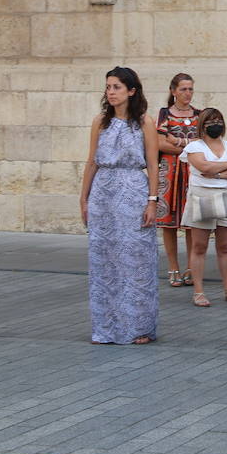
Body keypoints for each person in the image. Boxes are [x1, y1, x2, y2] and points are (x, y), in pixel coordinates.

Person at [81, 67, 159, 345]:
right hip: (103, 192)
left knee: (135, 259)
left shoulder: (144, 122)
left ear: (131, 91)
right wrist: (84, 198)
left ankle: (139, 326)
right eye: (108, 87)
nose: (111, 92)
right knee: (104, 261)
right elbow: (92, 161)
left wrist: (152, 201)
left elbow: (152, 163)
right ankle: (106, 327)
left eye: (116, 87)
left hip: (134, 191)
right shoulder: (100, 121)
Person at [181, 107, 227, 307]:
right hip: (202, 196)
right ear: (202, 125)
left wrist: (217, 173)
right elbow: (203, 167)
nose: (215, 124)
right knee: (199, 246)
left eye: (218, 120)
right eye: (210, 121)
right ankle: (198, 292)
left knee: (225, 247)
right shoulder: (194, 147)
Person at [155, 72, 200, 288]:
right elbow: (160, 144)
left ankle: (192, 267)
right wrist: (189, 143)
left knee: (191, 222)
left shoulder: (200, 114)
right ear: (173, 91)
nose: (187, 93)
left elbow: (205, 142)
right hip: (170, 173)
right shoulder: (164, 114)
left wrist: (177, 141)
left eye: (190, 89)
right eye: (183, 89)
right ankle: (173, 267)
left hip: (193, 172)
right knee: (169, 224)